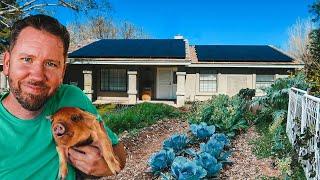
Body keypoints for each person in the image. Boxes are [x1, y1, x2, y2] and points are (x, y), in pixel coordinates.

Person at [0, 14, 126, 179]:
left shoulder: (72, 97)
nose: (37, 76)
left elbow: (118, 152)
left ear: (62, 72)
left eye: (51, 64)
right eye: (27, 59)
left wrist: (105, 165)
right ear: (7, 64)